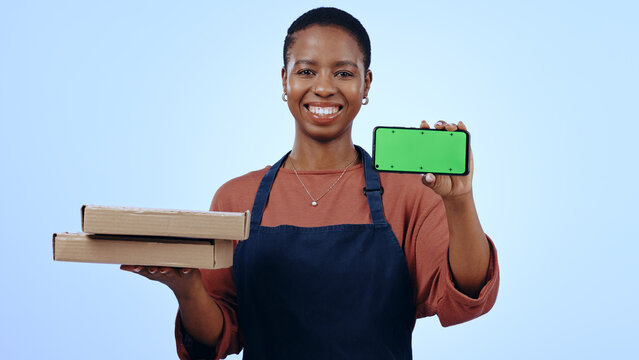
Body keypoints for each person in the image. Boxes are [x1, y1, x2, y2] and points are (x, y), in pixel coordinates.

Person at [122, 7, 499, 360]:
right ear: (284, 80)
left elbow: (466, 298)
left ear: (366, 85)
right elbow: (215, 340)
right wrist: (187, 287)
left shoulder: (411, 194)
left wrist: (461, 200)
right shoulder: (236, 197)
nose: (323, 87)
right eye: (306, 72)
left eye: (344, 73)